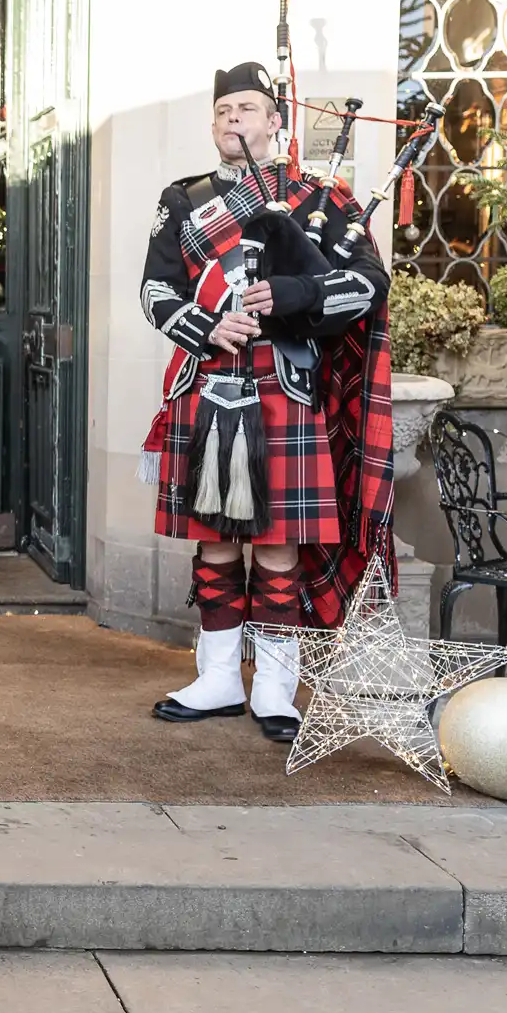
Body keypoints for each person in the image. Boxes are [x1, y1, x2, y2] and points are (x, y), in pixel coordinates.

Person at [140, 62, 393, 743]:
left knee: (279, 548)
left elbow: (370, 286)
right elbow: (155, 291)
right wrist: (207, 323)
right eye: (224, 108)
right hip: (209, 389)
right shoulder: (186, 202)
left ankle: (276, 688)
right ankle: (218, 677)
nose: (233, 118)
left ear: (276, 120)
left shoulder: (319, 202)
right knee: (215, 544)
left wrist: (292, 296)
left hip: (284, 390)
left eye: (247, 108)